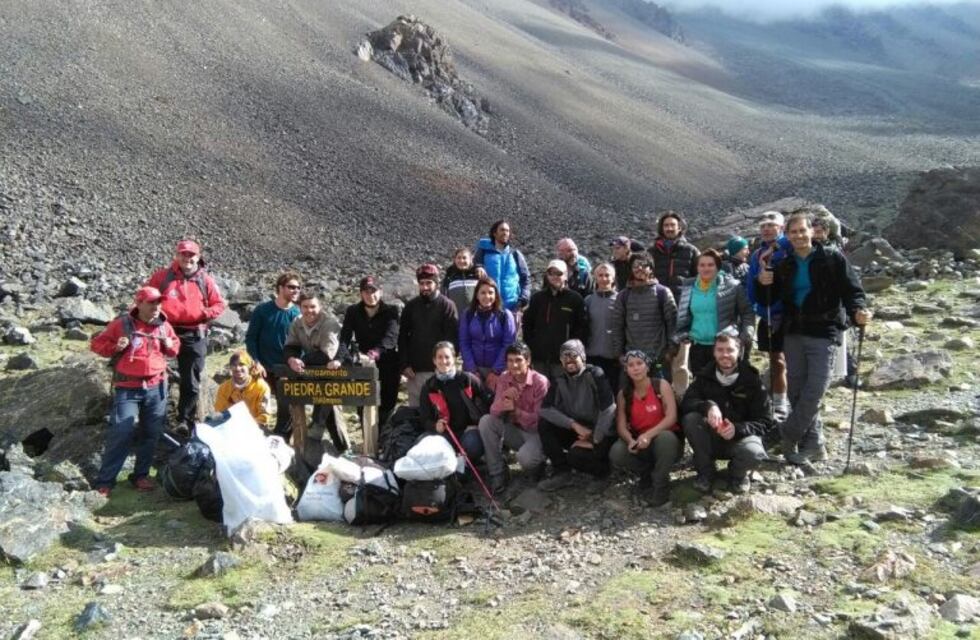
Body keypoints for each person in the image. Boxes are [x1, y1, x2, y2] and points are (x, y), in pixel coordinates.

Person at [757, 213, 872, 464]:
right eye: (793, 232)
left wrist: (858, 310)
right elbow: (770, 296)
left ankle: (784, 435)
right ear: (786, 236)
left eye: (802, 231)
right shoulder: (784, 264)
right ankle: (814, 444)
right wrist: (762, 281)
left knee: (815, 390)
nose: (798, 236)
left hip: (824, 331)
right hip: (793, 332)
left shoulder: (832, 258)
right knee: (797, 391)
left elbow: (852, 290)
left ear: (812, 231)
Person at [90, 286, 180, 496]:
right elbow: (96, 344)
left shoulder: (164, 326)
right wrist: (115, 347)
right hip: (128, 387)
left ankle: (140, 475)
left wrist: (170, 345)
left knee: (151, 432)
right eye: (151, 303)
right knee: (121, 431)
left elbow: (175, 347)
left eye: (159, 303)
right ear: (139, 304)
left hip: (156, 386)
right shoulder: (122, 324)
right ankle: (105, 481)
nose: (156, 307)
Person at [146, 239, 226, 432]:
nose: (187, 258)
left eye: (191, 255)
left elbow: (219, 304)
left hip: (194, 333)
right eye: (183, 254)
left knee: (191, 380)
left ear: (198, 258)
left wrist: (203, 314)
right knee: (152, 372)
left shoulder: (205, 280)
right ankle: (151, 417)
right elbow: (144, 297)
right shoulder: (162, 277)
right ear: (177, 255)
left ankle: (185, 420)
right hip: (164, 330)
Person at [680, 330, 773, 494]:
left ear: (739, 352)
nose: (725, 355)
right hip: (710, 439)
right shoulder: (704, 376)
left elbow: (765, 421)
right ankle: (706, 472)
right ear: (714, 352)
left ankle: (737, 475)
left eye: (730, 350)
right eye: (720, 350)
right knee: (691, 419)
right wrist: (708, 406)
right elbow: (687, 403)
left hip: (740, 439)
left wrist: (737, 429)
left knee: (755, 454)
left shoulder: (753, 381)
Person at [537, 340, 617, 492]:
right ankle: (562, 472)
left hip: (601, 431)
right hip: (578, 428)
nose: (569, 360)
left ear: (583, 357)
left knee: (576, 456)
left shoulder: (595, 374)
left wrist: (594, 438)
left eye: (573, 355)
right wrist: (573, 425)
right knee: (544, 424)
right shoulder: (559, 379)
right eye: (564, 356)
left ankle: (602, 474)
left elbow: (608, 409)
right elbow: (545, 409)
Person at [608, 350, 680, 507]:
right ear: (626, 370)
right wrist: (630, 441)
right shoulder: (624, 394)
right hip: (640, 443)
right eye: (630, 365)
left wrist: (648, 435)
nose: (636, 368)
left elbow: (671, 417)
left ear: (647, 366)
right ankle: (647, 473)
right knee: (617, 451)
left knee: (666, 438)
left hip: (665, 440)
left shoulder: (661, 385)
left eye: (639, 363)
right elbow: (621, 426)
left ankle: (661, 486)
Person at [479, 342, 550, 495]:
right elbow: (493, 411)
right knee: (486, 421)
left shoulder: (540, 382)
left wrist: (517, 412)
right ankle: (497, 473)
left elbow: (540, 421)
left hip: (536, 433)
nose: (514, 365)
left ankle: (540, 465)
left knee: (526, 458)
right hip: (515, 430)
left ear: (528, 361)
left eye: (518, 360)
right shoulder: (504, 378)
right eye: (510, 361)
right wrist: (504, 397)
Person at [672, 249, 755, 379]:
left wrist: (745, 336)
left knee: (725, 385)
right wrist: (681, 334)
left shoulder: (732, 286)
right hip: (696, 346)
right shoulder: (688, 286)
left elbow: (747, 312)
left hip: (724, 347)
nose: (706, 268)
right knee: (701, 385)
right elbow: (684, 314)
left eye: (710, 265)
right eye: (702, 265)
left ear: (718, 267)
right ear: (697, 267)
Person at [283, 293, 348, 452]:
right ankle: (341, 448)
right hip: (316, 371)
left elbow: (327, 355)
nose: (309, 310)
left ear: (320, 308)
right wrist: (292, 359)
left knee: (327, 395)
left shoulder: (330, 323)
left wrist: (303, 360)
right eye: (305, 306)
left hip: (338, 367)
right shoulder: (297, 322)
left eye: (313, 306)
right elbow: (291, 346)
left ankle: (318, 425)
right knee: (328, 406)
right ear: (300, 307)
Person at [746, 211, 792, 418]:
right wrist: (754, 303)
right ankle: (779, 400)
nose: (766, 229)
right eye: (763, 225)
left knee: (787, 359)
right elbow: (751, 283)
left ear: (781, 228)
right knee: (775, 358)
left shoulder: (789, 248)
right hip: (768, 314)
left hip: (789, 312)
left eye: (771, 225)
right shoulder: (758, 254)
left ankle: (786, 399)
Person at [337, 276, 401, 426]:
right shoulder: (353, 311)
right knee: (362, 402)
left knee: (387, 403)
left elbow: (391, 337)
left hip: (387, 363)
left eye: (374, 291)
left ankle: (383, 439)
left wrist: (375, 353)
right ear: (361, 293)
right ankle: (368, 440)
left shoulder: (391, 311)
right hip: (362, 363)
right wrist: (340, 357)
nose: (370, 295)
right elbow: (345, 336)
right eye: (366, 291)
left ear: (380, 292)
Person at [245, 271, 302, 437]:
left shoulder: (298, 314)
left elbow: (302, 343)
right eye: (291, 287)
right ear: (280, 288)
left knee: (286, 408)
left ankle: (281, 442)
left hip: (287, 368)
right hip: (263, 367)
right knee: (256, 404)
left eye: (298, 288)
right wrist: (255, 361)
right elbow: (251, 338)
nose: (295, 291)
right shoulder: (263, 310)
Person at [649, 212, 700, 394]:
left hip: (683, 310)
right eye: (666, 225)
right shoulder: (652, 252)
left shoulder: (691, 251)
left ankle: (682, 396)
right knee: (660, 353)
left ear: (680, 227)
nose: (669, 228)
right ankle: (661, 396)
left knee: (681, 356)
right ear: (661, 228)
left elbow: (699, 280)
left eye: (673, 225)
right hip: (657, 310)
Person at [398, 264, 459, 407]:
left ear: (436, 283)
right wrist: (404, 364)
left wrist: (446, 364)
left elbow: (453, 339)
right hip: (415, 372)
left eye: (429, 283)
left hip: (440, 370)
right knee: (416, 411)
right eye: (422, 283)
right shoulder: (411, 306)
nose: (425, 287)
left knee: (443, 411)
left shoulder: (447, 306)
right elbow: (402, 337)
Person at [418, 342, 489, 464]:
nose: (444, 361)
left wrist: (479, 423)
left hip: (469, 430)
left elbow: (488, 400)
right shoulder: (429, 386)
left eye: (447, 357)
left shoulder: (468, 379)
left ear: (454, 358)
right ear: (434, 361)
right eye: (439, 357)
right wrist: (435, 426)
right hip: (445, 433)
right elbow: (424, 418)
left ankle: (466, 463)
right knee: (424, 444)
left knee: (472, 446)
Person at [610, 255, 677, 379]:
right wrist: (619, 354)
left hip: (659, 357)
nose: (639, 268)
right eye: (635, 265)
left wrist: (671, 351)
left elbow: (672, 323)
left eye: (644, 265)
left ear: (651, 269)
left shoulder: (663, 293)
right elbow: (617, 326)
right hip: (631, 358)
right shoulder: (623, 296)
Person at [523, 259, 587, 380]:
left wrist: (573, 352)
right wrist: (532, 346)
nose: (555, 276)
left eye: (559, 273)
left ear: (566, 276)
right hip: (539, 358)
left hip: (564, 360)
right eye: (551, 273)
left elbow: (582, 328)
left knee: (563, 394)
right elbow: (527, 325)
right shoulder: (537, 298)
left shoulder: (575, 299)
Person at [459, 278, 516, 389]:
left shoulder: (505, 315)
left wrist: (496, 371)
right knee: (473, 403)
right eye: (483, 293)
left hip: (498, 369)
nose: (487, 296)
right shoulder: (468, 314)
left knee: (497, 404)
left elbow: (508, 344)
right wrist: (472, 370)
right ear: (477, 295)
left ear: (496, 295)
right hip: (473, 369)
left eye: (490, 292)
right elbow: (464, 342)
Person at [473, 219, 531, 316]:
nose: (505, 233)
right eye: (502, 230)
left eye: (507, 231)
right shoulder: (483, 252)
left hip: (512, 307)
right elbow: (473, 268)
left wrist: (523, 299)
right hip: (488, 306)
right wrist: (478, 267)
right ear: (494, 233)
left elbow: (526, 279)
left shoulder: (515, 254)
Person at [584, 262, 621, 390]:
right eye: (600, 275)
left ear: (613, 278)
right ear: (595, 277)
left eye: (607, 275)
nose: (604, 279)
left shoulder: (620, 300)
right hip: (591, 354)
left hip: (613, 356)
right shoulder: (588, 300)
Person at [214, 350, 272, 427]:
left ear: (249, 367)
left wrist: (247, 427)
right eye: (234, 365)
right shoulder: (224, 388)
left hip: (256, 428)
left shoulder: (261, 387)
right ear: (230, 367)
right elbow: (220, 412)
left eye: (241, 364)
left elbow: (264, 415)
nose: (238, 368)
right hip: (230, 429)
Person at [441, 247, 482, 315]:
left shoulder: (478, 276)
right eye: (459, 258)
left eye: (464, 258)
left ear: (471, 259)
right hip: (456, 319)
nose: (461, 261)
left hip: (476, 319)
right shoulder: (449, 278)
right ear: (455, 260)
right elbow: (444, 299)